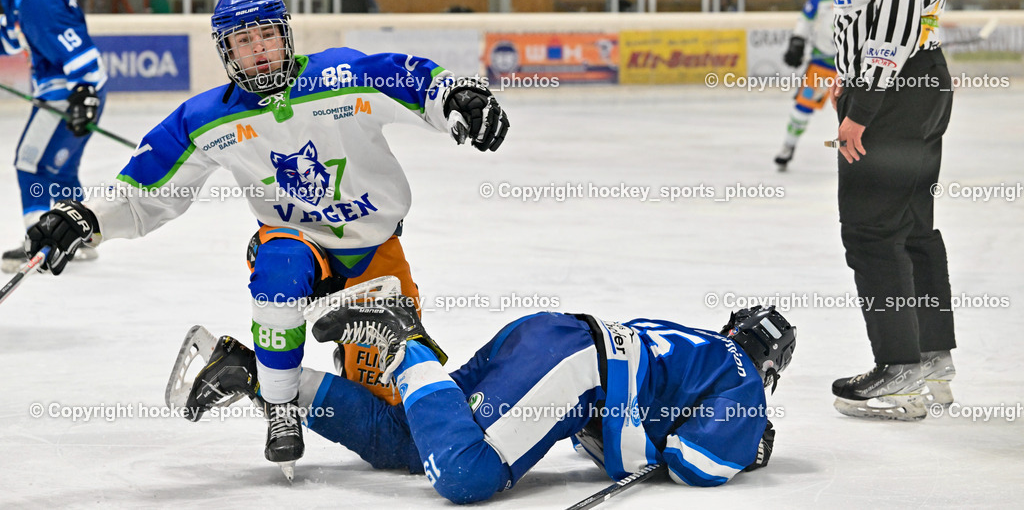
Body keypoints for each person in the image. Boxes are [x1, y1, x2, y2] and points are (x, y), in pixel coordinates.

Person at [21, 0, 510, 470]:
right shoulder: (205, 118)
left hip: (373, 255)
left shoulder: (339, 76)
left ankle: (247, 370)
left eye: (266, 37)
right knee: (278, 272)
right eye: (243, 42)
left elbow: (404, 77)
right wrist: (84, 218)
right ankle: (280, 407)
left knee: (395, 430)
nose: (258, 50)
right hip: (296, 244)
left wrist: (454, 97)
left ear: (285, 36)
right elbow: (143, 196)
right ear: (226, 52)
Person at [185, 290, 796, 501]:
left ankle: (260, 377)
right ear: (773, 363)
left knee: (408, 440)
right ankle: (406, 344)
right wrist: (746, 449)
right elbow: (699, 465)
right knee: (465, 475)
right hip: (576, 366)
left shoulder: (697, 345)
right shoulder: (745, 383)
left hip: (549, 338)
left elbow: (607, 432)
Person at [827, 0, 956, 420]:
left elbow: (896, 28)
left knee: (872, 231)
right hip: (917, 90)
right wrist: (845, 75)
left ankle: (899, 373)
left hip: (896, 98)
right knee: (911, 225)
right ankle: (929, 358)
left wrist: (861, 109)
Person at [0, 0, 106, 273]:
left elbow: (80, 49)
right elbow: (12, 43)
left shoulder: (44, 0)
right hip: (67, 91)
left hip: (70, 91)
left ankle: (37, 239)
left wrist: (85, 92)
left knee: (29, 161)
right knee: (62, 169)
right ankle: (81, 238)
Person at [774, 0, 847, 170]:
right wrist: (797, 41)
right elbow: (806, 19)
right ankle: (788, 146)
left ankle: (860, 155)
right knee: (803, 106)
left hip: (853, 68)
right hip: (823, 64)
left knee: (856, 114)